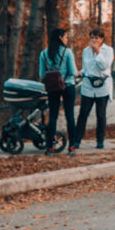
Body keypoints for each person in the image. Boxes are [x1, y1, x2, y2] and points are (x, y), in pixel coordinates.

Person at [39, 27, 78, 155]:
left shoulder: (44, 53)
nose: (67, 39)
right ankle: (72, 147)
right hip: (68, 86)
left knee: (53, 117)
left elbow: (42, 74)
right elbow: (73, 72)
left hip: (53, 88)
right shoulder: (67, 52)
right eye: (66, 36)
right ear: (61, 37)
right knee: (70, 116)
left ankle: (50, 147)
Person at [75, 28, 113, 150]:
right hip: (88, 85)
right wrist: (80, 72)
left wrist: (97, 51)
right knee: (83, 114)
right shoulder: (86, 51)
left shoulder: (108, 50)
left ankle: (100, 140)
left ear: (102, 39)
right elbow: (86, 68)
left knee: (100, 114)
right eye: (92, 38)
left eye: (97, 38)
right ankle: (77, 140)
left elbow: (104, 66)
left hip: (102, 85)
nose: (94, 40)